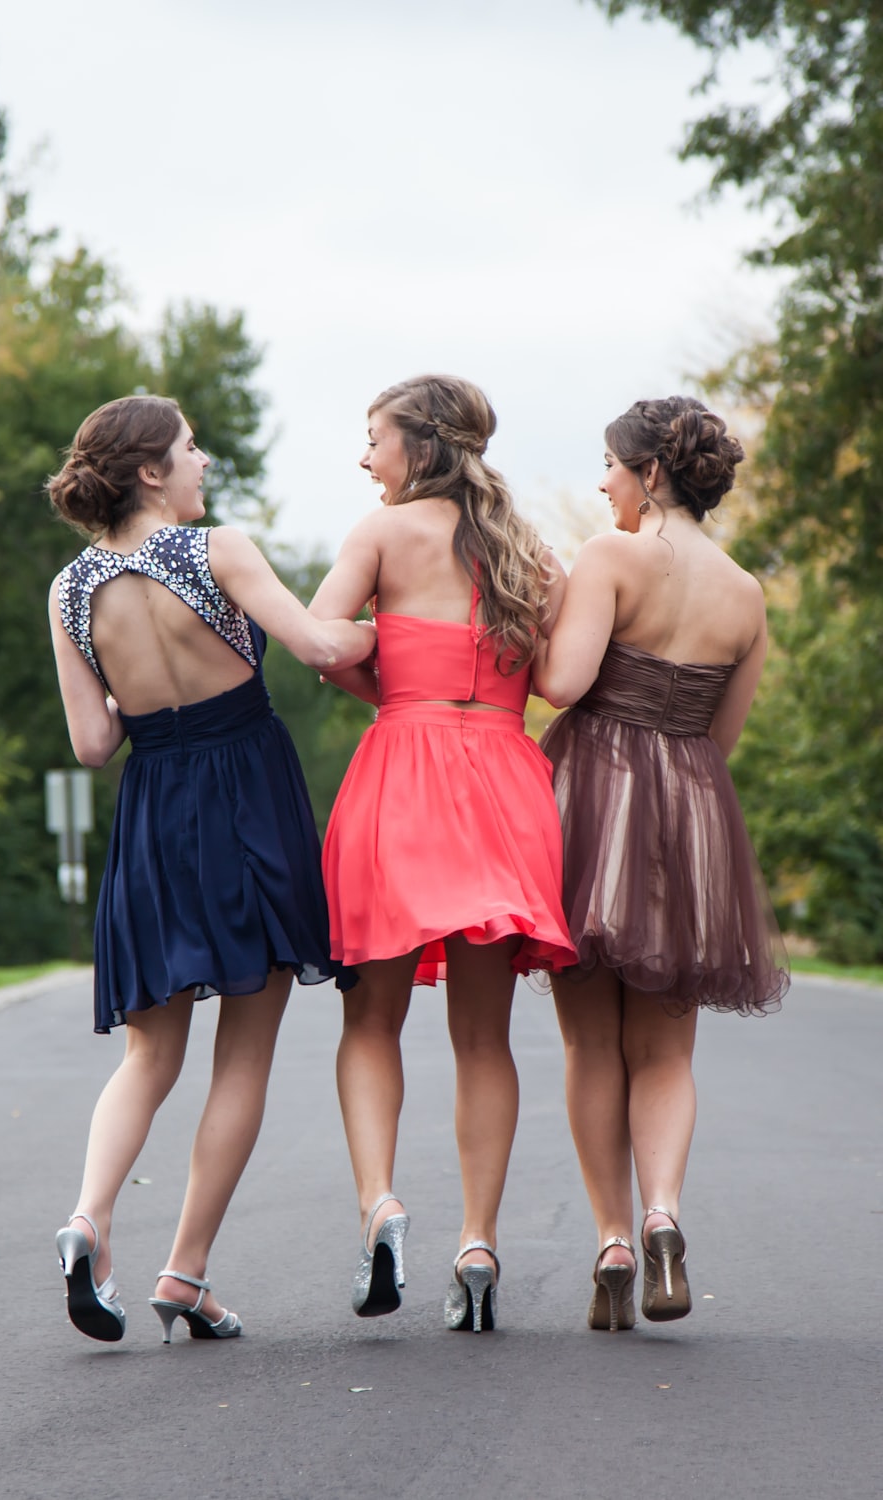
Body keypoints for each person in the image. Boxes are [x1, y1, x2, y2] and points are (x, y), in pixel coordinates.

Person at [46, 393, 375, 1345]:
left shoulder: (70, 590)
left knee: (149, 1055)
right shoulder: (218, 551)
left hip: (155, 814)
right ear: (151, 471)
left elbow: (93, 743)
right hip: (247, 807)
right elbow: (317, 645)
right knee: (245, 1052)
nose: (204, 462)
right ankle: (184, 1272)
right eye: (190, 449)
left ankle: (86, 1220)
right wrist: (427, 643)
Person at [309, 374, 577, 1334]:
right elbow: (556, 680)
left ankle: (383, 1204)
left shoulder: (379, 536)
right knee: (483, 1038)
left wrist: (391, 687)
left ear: (417, 445)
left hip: (402, 776)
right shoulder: (528, 549)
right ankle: (477, 1241)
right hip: (505, 778)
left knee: (370, 1023)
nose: (364, 457)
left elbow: (323, 641)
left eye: (373, 438)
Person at [538, 396, 789, 1333]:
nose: (602, 482)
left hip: (593, 803)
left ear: (649, 472)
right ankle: (663, 1216)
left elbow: (563, 684)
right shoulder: (746, 593)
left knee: (588, 1041)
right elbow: (721, 735)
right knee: (668, 1048)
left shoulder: (610, 557)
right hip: (688, 815)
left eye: (609, 465)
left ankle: (608, 1236)